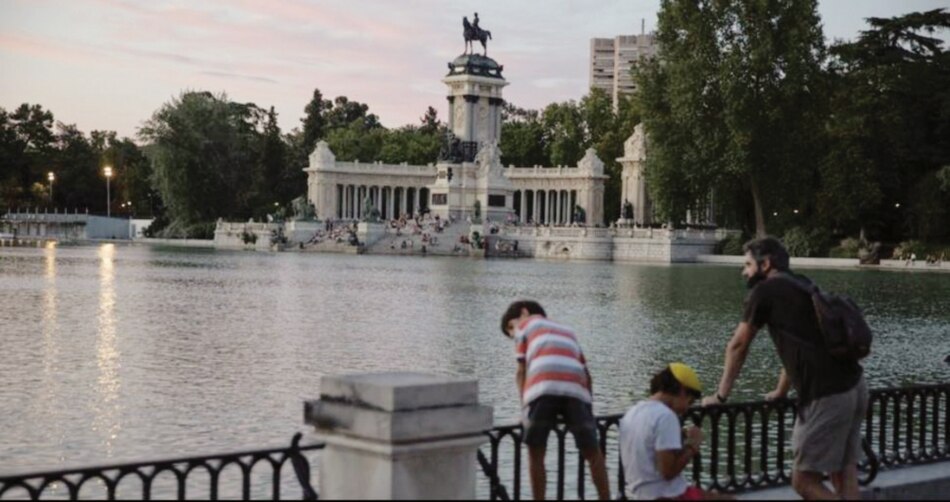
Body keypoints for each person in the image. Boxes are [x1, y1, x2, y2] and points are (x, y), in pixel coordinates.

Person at [702, 237, 868, 500]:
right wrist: (781, 390)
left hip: (827, 394)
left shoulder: (764, 292)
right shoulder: (803, 283)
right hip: (855, 385)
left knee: (803, 480)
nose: (743, 271)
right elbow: (799, 347)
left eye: (747, 264)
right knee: (842, 472)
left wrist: (720, 396)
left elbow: (738, 345)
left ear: (765, 264)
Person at [500, 300, 610, 500]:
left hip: (543, 387)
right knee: (593, 454)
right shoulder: (567, 330)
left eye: (509, 327)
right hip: (577, 390)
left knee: (536, 454)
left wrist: (524, 408)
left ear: (524, 312)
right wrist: (588, 408)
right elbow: (587, 374)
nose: (511, 333)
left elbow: (521, 371)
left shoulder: (523, 325)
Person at [620, 364, 731, 500]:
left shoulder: (632, 413)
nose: (686, 410)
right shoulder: (665, 416)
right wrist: (692, 445)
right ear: (682, 390)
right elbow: (668, 472)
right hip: (668, 495)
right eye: (689, 402)